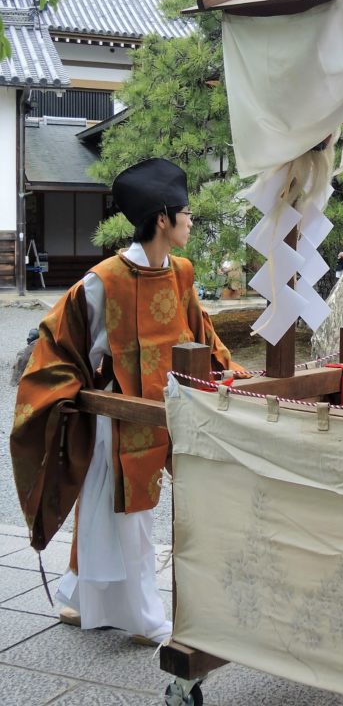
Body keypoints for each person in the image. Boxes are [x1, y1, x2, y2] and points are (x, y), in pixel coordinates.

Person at [10, 158, 238, 643]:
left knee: (115, 511)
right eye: (186, 212)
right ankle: (142, 618)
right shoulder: (102, 281)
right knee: (124, 514)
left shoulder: (181, 272)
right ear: (162, 218)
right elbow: (55, 343)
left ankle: (81, 595)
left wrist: (231, 372)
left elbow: (202, 332)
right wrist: (70, 396)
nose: (192, 220)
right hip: (118, 418)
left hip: (171, 411)